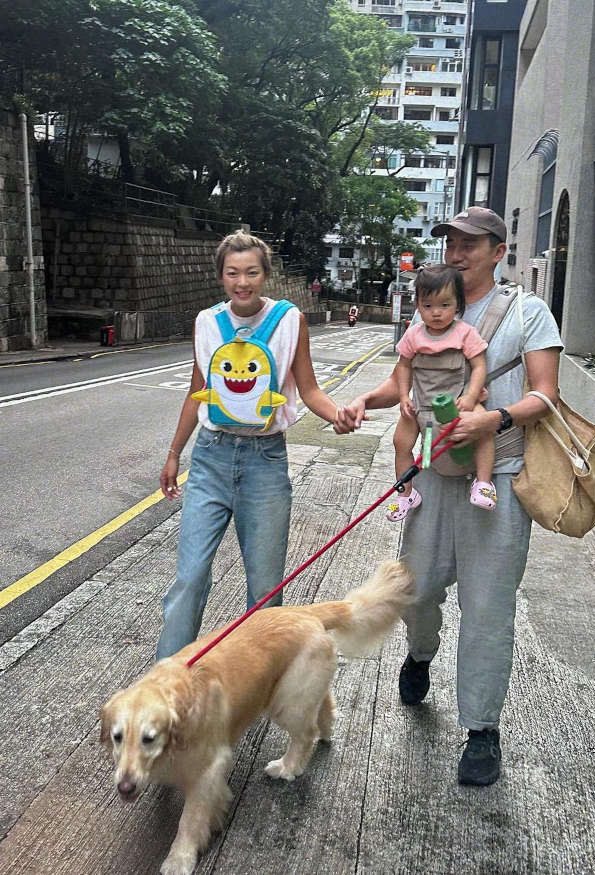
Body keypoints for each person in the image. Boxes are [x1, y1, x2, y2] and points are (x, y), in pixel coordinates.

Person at [334, 207, 563, 786]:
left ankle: (482, 729)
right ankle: (420, 653)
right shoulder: (430, 312)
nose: (458, 251)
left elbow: (547, 395)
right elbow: (400, 382)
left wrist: (496, 419)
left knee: (488, 609)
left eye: (471, 242)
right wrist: (368, 401)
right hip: (433, 474)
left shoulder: (526, 312)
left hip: (499, 474)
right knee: (418, 588)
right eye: (451, 241)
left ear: (498, 250)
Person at [156, 231, 339, 660]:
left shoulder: (291, 321)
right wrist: (173, 453)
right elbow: (196, 391)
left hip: (265, 463)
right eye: (233, 273)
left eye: (252, 272)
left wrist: (338, 414)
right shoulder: (206, 323)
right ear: (221, 276)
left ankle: (256, 681)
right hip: (210, 458)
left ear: (265, 274)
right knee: (190, 576)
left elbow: (310, 389)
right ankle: (165, 684)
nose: (243, 282)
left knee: (264, 587)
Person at [387, 264, 496, 522]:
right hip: (421, 404)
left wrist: (470, 397)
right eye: (428, 306)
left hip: (459, 401)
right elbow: (403, 366)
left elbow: (480, 365)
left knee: (484, 427)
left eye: (445, 305)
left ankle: (483, 483)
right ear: (418, 305)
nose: (436, 313)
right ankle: (406, 495)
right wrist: (404, 397)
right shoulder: (413, 335)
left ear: (458, 303)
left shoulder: (465, 333)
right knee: (400, 443)